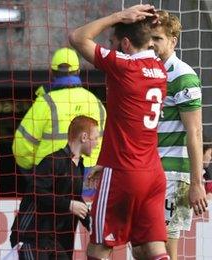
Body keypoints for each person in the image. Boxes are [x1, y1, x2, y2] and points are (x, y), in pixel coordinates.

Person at [69, 4, 171, 259]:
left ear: (125, 44)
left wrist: (118, 16)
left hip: (124, 172)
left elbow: (77, 37)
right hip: (152, 173)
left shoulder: (124, 66)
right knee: (152, 248)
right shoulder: (159, 69)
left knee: (100, 247)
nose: (111, 48)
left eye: (113, 43)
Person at [148, 10, 208, 260]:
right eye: (149, 38)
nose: (151, 43)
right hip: (146, 171)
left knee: (166, 247)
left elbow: (195, 131)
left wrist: (196, 182)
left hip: (173, 174)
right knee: (144, 247)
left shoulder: (183, 75)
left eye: (158, 38)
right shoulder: (147, 71)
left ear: (173, 41)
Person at [10, 115, 99, 259]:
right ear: (84, 137)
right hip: (32, 237)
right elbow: (35, 190)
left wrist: (91, 222)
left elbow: (74, 198)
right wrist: (69, 205)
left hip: (54, 241)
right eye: (95, 138)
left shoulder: (79, 165)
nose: (97, 143)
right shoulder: (53, 160)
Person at [13, 47, 105, 172]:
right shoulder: (95, 102)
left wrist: (34, 171)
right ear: (78, 71)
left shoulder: (45, 103)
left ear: (52, 73)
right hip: (89, 174)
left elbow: (21, 147)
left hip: (53, 175)